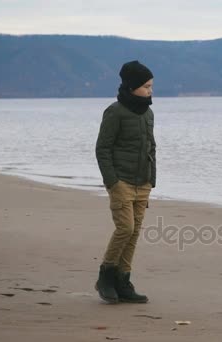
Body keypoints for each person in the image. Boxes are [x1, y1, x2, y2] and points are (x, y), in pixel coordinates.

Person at [94, 60, 156, 304]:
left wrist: (152, 179)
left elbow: (152, 147)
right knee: (125, 229)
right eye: (146, 86)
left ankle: (123, 281)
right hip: (122, 183)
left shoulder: (149, 113)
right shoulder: (115, 112)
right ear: (132, 87)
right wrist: (112, 182)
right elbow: (102, 149)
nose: (151, 91)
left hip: (143, 184)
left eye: (151, 86)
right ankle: (106, 277)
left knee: (134, 233)